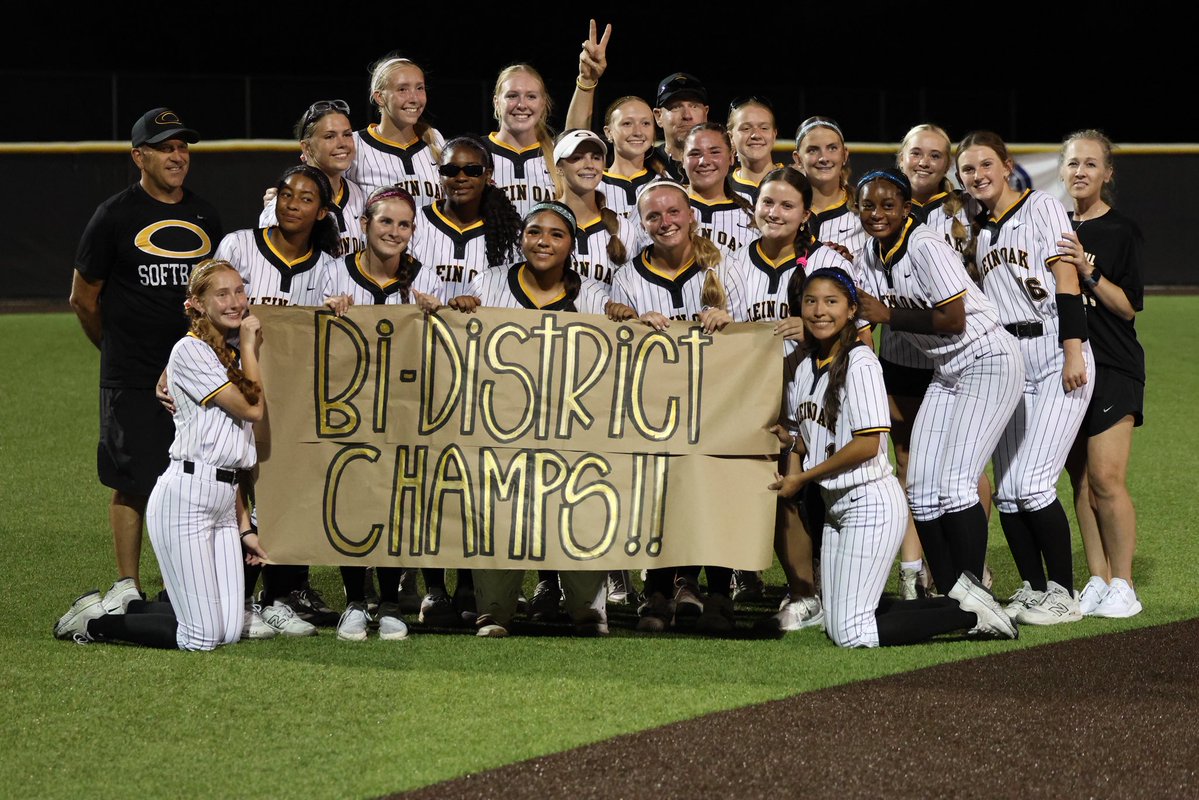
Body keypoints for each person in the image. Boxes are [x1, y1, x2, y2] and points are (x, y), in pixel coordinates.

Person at [769, 267, 1017, 646]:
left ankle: (968, 614)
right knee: (836, 625)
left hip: (869, 504)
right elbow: (810, 440)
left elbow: (867, 444)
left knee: (852, 634)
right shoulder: (804, 368)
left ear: (852, 310)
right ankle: (963, 606)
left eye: (831, 301)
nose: (820, 311)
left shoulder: (862, 362)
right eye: (811, 301)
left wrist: (802, 478)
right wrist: (787, 442)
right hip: (837, 507)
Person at [55, 260, 269, 650]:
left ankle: (127, 610)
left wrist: (244, 528)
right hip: (185, 498)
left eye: (239, 290)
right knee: (201, 638)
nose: (235, 301)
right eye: (222, 294)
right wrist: (252, 346)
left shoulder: (230, 351)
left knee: (228, 631)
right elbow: (251, 408)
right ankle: (94, 624)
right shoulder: (190, 351)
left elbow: (232, 460)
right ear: (198, 304)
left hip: (221, 502)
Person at [448, 202, 636, 636]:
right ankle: (494, 612)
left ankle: (589, 611)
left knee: (580, 511)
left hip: (573, 429)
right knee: (499, 514)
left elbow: (615, 353)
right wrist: (460, 309)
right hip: (503, 427)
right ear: (521, 238)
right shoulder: (491, 282)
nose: (543, 241)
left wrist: (624, 319)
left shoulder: (590, 293)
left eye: (556, 234)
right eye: (534, 232)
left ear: (572, 245)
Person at [70, 107, 223, 603]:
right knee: (132, 479)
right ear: (139, 156)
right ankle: (127, 586)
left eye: (182, 147)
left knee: (197, 478)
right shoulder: (114, 215)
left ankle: (185, 584)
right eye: (165, 147)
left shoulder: (205, 216)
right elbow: (83, 297)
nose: (177, 155)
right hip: (133, 375)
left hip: (196, 374)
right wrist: (116, 350)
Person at [853, 169, 1023, 605]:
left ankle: (977, 593)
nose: (877, 213)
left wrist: (886, 316)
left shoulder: (925, 244)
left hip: (987, 357)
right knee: (924, 491)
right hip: (947, 371)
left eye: (888, 204)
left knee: (958, 483)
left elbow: (953, 320)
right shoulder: (871, 254)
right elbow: (862, 320)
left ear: (907, 208)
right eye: (868, 205)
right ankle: (952, 595)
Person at [957, 131, 1095, 625]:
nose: (977, 176)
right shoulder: (982, 230)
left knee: (1034, 483)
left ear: (1006, 165)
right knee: (1010, 487)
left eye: (985, 165)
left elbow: (1066, 279)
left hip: (1057, 350)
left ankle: (1064, 593)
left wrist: (1074, 351)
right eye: (968, 169)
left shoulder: (1041, 207)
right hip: (1011, 362)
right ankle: (1035, 589)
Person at [610, 180, 747, 635]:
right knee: (658, 495)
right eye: (653, 216)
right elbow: (617, 342)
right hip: (655, 406)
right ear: (642, 223)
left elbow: (753, 336)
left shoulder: (726, 266)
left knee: (717, 493)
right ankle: (659, 588)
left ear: (691, 215)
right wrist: (632, 321)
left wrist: (732, 321)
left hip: (718, 400)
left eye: (673, 212)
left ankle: (718, 591)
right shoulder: (629, 276)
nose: (665, 222)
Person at [212, 164, 342, 636]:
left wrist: (339, 310)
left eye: (306, 198)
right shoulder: (238, 245)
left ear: (322, 211)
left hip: (290, 401)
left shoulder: (329, 268)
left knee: (285, 496)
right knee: (232, 493)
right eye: (286, 194)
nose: (292, 203)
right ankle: (234, 597)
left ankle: (276, 596)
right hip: (228, 390)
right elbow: (204, 308)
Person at [725, 166, 858, 629]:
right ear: (754, 207)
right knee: (785, 489)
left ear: (805, 214)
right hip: (762, 397)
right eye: (767, 203)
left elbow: (861, 320)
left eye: (786, 205)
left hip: (823, 389)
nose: (774, 212)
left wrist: (817, 325)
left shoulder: (828, 259)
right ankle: (803, 591)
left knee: (831, 489)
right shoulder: (734, 264)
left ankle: (838, 584)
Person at [321, 185, 445, 640]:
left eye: (404, 224)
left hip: (404, 408)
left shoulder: (424, 279)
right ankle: (356, 599)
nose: (394, 231)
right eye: (385, 221)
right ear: (364, 224)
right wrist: (325, 312)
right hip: (348, 407)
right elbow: (304, 338)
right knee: (350, 495)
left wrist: (442, 312)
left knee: (397, 498)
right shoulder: (333, 274)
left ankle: (390, 601)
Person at [890, 124, 990, 599]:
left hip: (959, 350)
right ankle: (917, 571)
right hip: (902, 353)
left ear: (947, 163)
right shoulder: (880, 206)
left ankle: (974, 566)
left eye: (935, 155)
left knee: (969, 468)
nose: (924, 161)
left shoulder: (966, 210)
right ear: (901, 157)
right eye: (916, 153)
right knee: (910, 463)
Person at [1059, 129, 1146, 618]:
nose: (1080, 172)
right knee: (1081, 482)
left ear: (1107, 173)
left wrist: (1087, 271)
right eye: (1073, 163)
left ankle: (1124, 584)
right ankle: (1097, 577)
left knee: (1108, 479)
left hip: (1113, 362)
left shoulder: (1121, 230)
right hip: (1067, 367)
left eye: (1091, 165)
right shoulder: (1050, 225)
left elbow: (1129, 308)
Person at [409, 135, 523, 300]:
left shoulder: (508, 233)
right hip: (421, 322)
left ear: (488, 175)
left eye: (472, 171)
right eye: (450, 170)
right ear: (440, 175)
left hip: (484, 324)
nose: (461, 178)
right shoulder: (416, 221)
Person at [262, 99, 366, 257]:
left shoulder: (357, 193)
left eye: (347, 134)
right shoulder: (285, 206)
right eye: (330, 136)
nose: (342, 143)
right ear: (306, 147)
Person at [347, 55, 444, 204]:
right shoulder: (354, 144)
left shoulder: (435, 139)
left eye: (420, 88)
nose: (414, 98)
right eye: (402, 89)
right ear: (380, 97)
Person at [554, 128, 636, 286]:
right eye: (577, 158)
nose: (589, 165)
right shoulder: (540, 223)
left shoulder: (624, 229)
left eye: (596, 157)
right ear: (559, 167)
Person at [488, 64, 558, 216]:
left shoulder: (558, 153)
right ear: (496, 102)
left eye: (531, 96)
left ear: (543, 103)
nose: (521, 105)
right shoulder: (476, 152)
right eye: (512, 96)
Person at [792, 116, 867, 257]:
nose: (824, 158)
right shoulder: (784, 212)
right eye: (813, 150)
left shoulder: (864, 213)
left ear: (844, 155)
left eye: (832, 148)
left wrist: (851, 265)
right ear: (798, 159)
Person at [683, 123, 755, 258]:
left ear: (731, 157)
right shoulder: (664, 206)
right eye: (695, 153)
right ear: (683, 160)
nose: (704, 161)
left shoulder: (752, 217)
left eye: (715, 152)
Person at [651, 72, 709, 181]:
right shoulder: (646, 161)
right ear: (658, 116)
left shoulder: (722, 163)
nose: (687, 116)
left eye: (694, 106)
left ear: (705, 114)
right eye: (676, 107)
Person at [728, 97, 785, 205]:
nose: (756, 135)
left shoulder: (797, 182)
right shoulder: (720, 188)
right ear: (731, 137)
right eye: (746, 128)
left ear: (774, 135)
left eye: (764, 128)